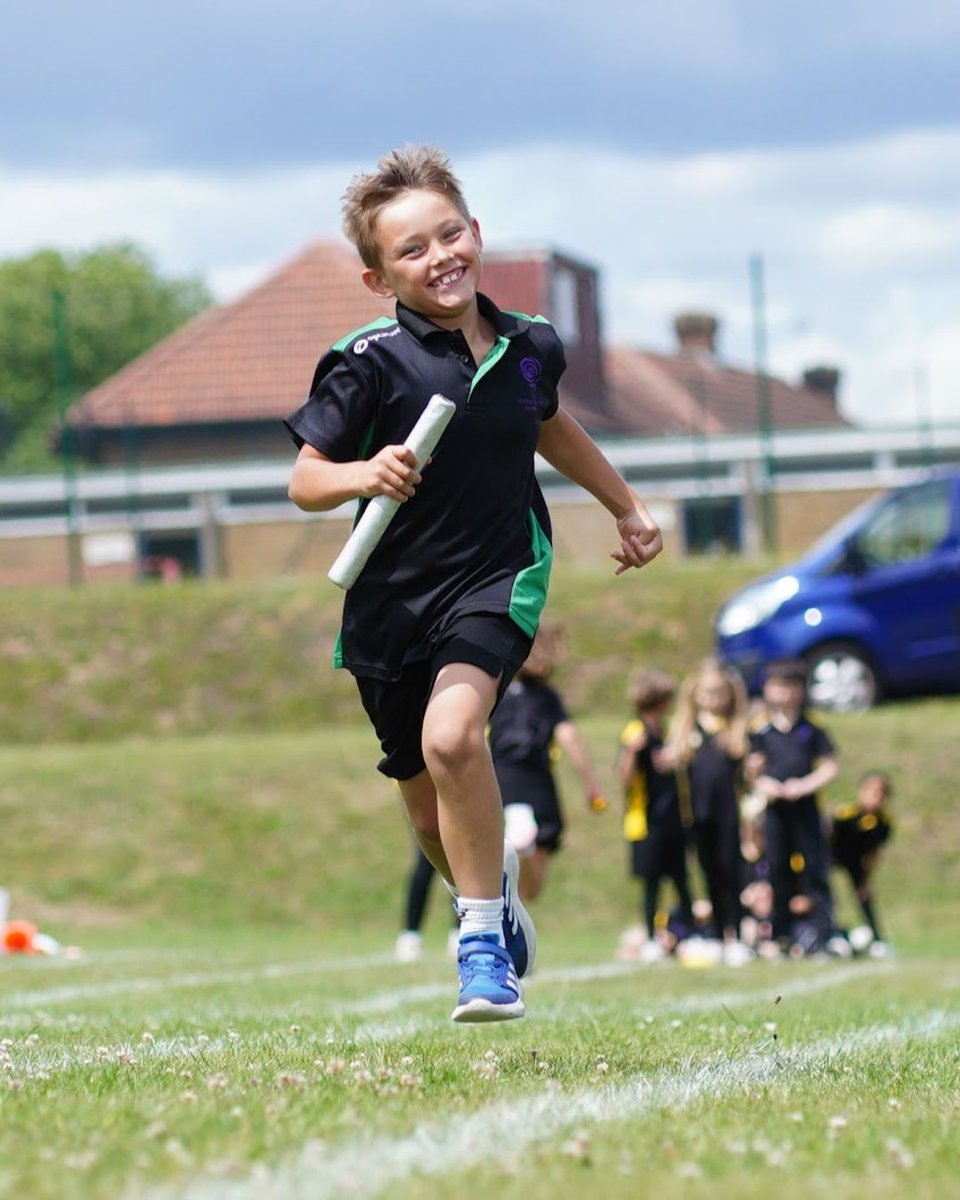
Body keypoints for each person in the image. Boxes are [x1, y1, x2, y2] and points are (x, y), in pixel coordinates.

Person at [284, 146, 662, 1023]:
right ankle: (488, 900)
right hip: (387, 603)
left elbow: (552, 428)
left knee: (456, 738)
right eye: (411, 250)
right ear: (379, 278)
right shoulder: (365, 361)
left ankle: (482, 945)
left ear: (476, 232)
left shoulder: (531, 347)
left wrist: (626, 508)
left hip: (498, 574)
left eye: (449, 233)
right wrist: (363, 472)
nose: (439, 256)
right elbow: (305, 480)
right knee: (425, 809)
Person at [490, 623, 606, 903]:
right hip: (537, 780)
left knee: (497, 868)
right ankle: (526, 848)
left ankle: (518, 847)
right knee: (532, 891)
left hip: (500, 779)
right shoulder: (548, 698)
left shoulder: (496, 691)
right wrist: (592, 786)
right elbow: (570, 739)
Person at [665, 657, 752, 965]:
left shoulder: (736, 731)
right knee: (709, 872)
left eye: (719, 693)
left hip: (730, 814)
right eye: (706, 693)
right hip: (698, 815)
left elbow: (747, 775)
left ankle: (738, 934)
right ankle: (716, 933)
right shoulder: (688, 730)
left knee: (733, 873)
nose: (712, 700)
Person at [747, 659, 839, 953]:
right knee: (777, 869)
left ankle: (825, 933)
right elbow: (751, 773)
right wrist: (767, 784)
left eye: (791, 687)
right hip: (775, 809)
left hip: (806, 809)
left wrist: (804, 785)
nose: (784, 694)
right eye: (778, 686)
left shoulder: (811, 727)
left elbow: (829, 766)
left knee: (815, 869)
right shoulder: (761, 730)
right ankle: (781, 934)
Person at [617, 668, 694, 963]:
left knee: (681, 879)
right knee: (652, 884)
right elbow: (623, 778)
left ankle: (689, 933)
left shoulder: (666, 733)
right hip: (645, 822)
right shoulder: (634, 733)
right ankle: (650, 937)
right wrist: (632, 753)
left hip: (673, 820)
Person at [830, 769, 895, 957]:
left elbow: (874, 853)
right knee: (825, 893)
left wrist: (867, 879)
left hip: (857, 862)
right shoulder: (846, 815)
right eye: (870, 792)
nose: (874, 798)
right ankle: (829, 934)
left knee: (864, 896)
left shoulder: (884, 822)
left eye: (880, 794)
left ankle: (877, 938)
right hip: (834, 855)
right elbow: (829, 837)